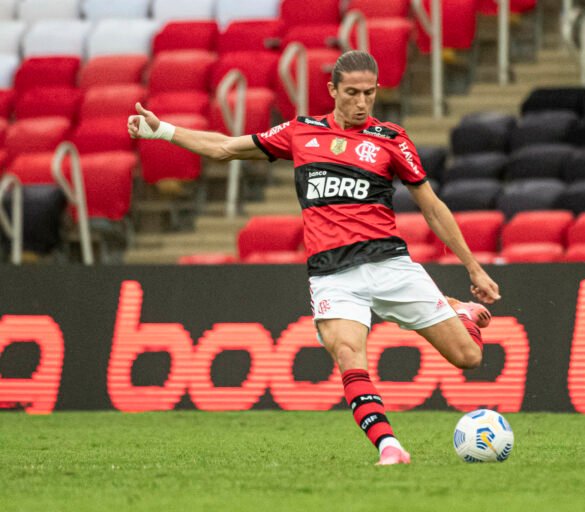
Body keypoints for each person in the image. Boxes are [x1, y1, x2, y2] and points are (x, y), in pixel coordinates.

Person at [128, 50, 501, 465]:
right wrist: (163, 131)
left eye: (370, 94)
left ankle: (461, 314)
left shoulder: (391, 139)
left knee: (469, 357)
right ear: (332, 91)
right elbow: (224, 148)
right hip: (333, 275)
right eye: (353, 93)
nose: (362, 102)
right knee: (347, 353)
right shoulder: (300, 132)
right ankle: (389, 446)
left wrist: (473, 266)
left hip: (389, 265)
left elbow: (432, 206)